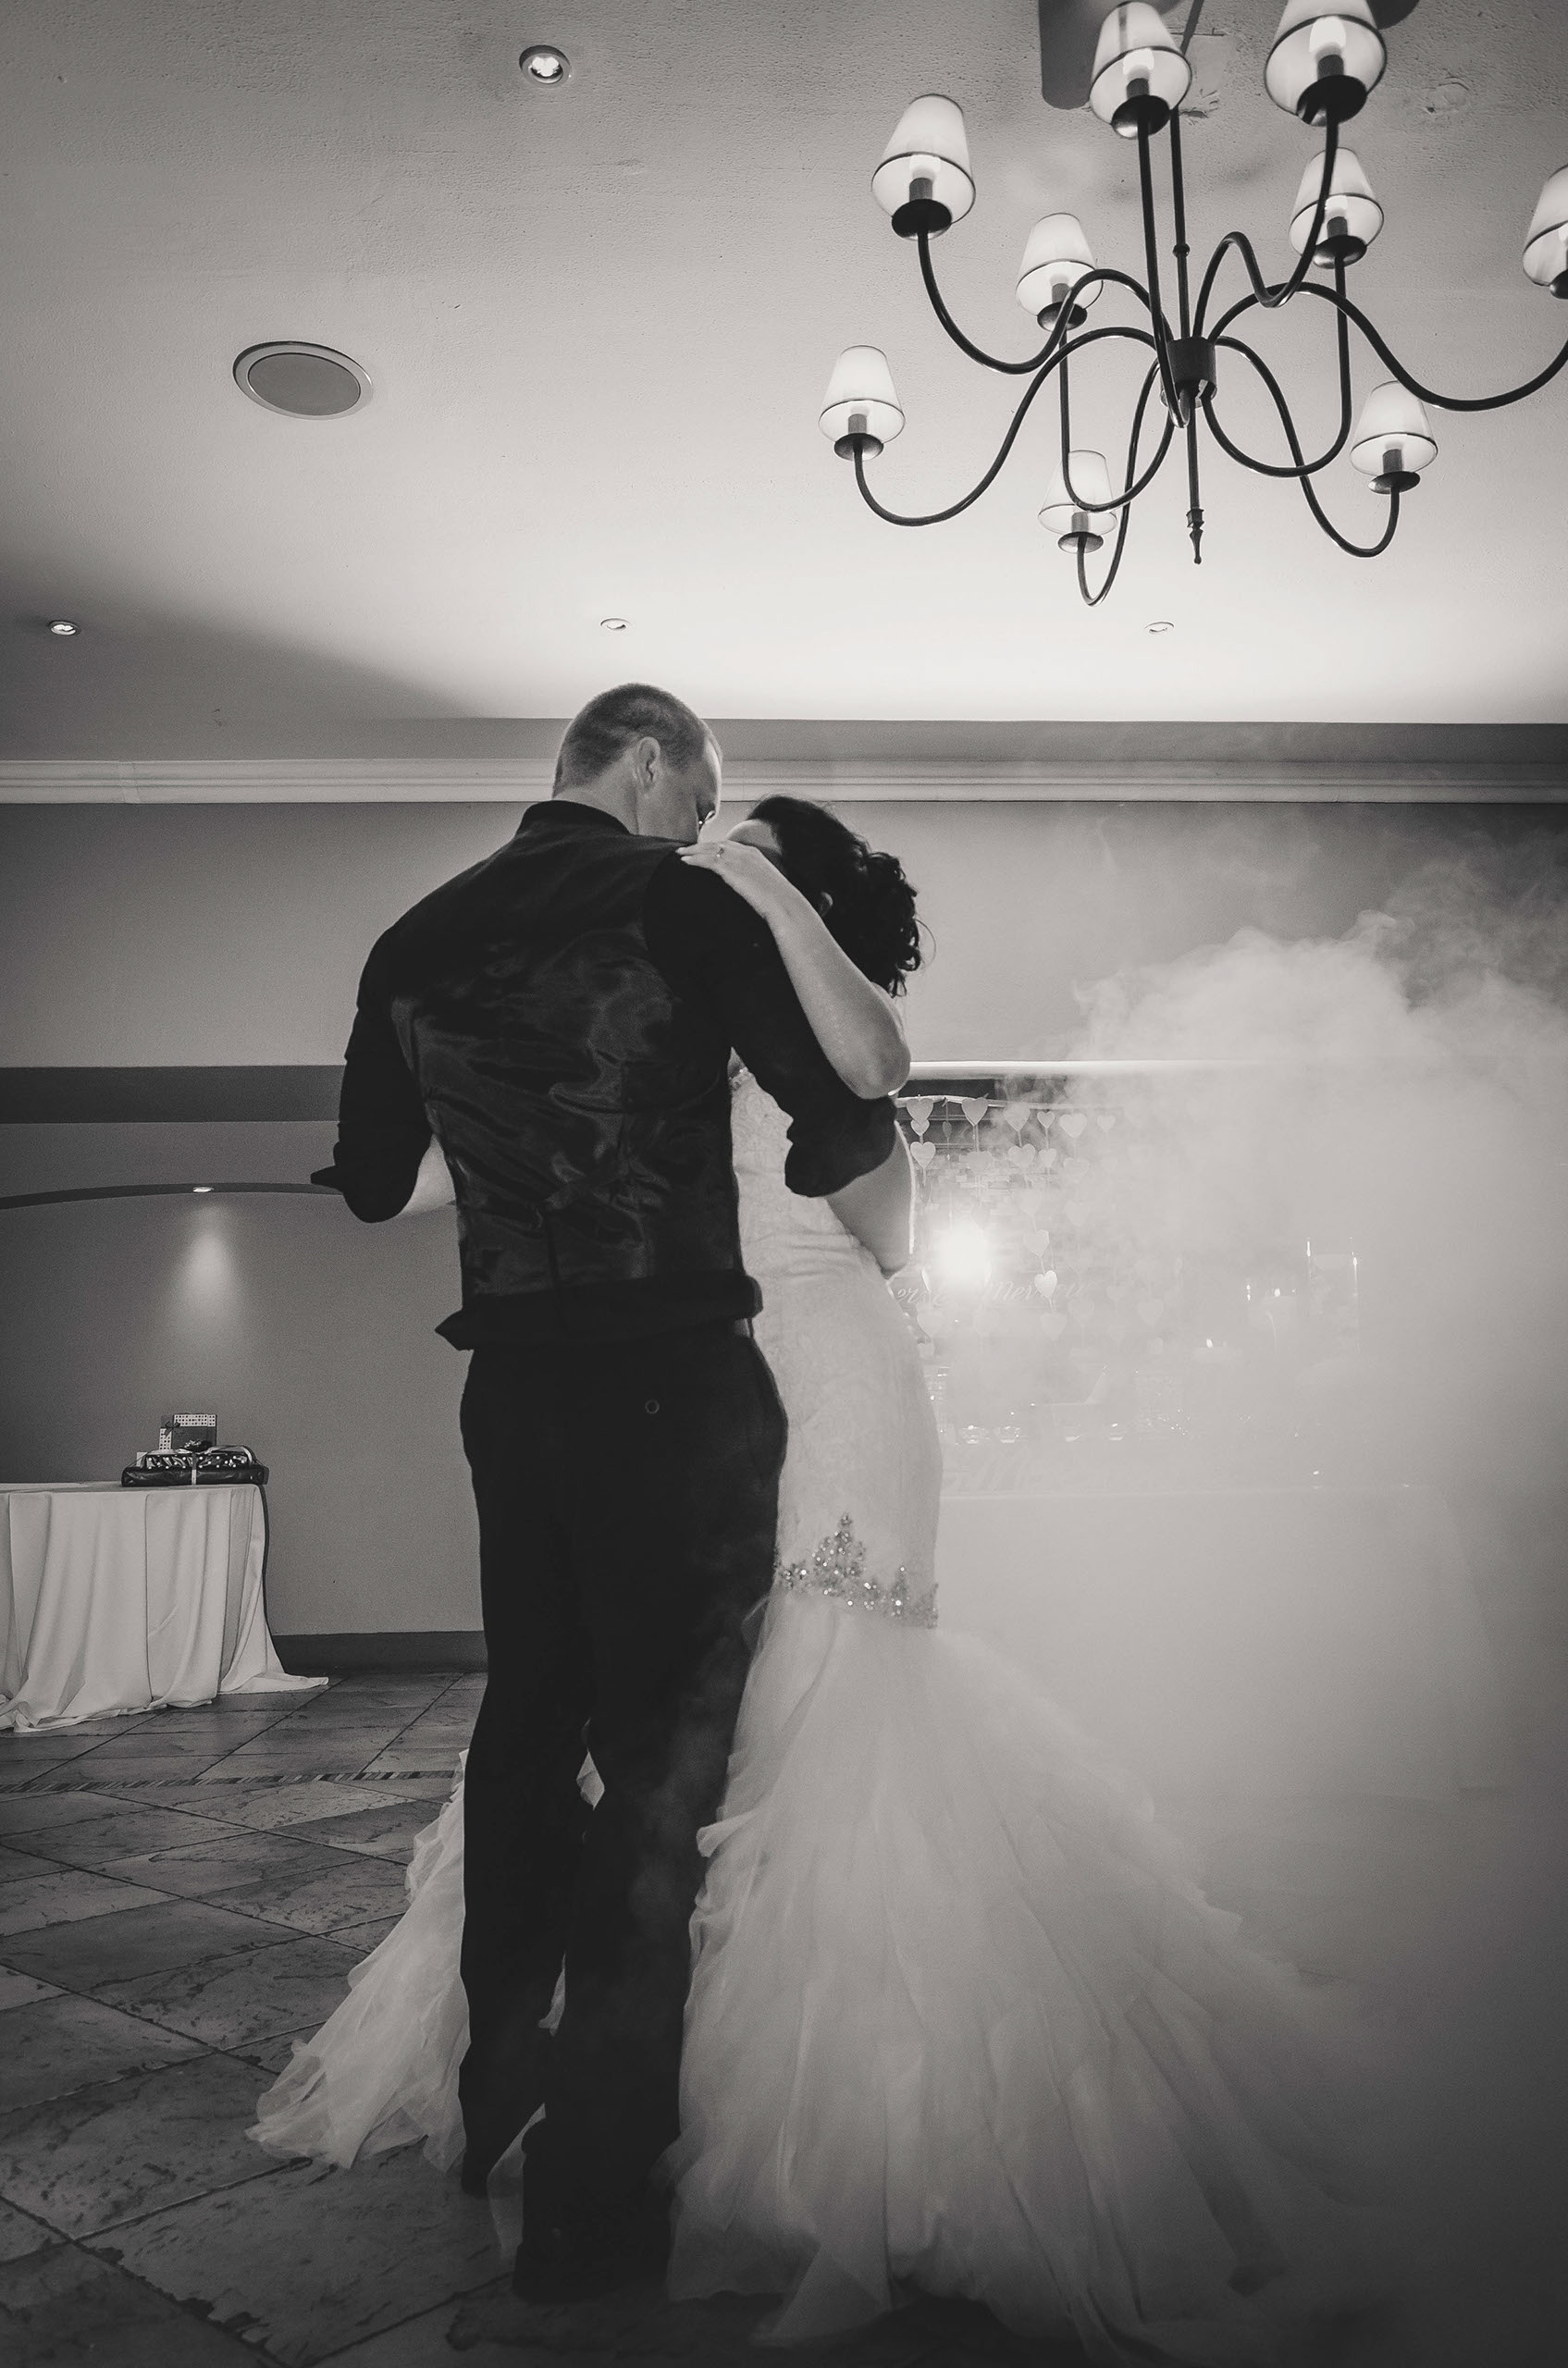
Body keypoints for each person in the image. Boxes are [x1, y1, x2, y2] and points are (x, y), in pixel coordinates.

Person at [257, 793, 1378, 2362]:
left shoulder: (810, 1045)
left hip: (820, 1379)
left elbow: (886, 1216)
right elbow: (453, 1171)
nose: (706, 866)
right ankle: (618, 2081)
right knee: (674, 1725)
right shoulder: (651, 1026)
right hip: (680, 1386)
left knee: (824, 1686)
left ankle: (792, 2112)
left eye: (747, 853)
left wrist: (747, 888)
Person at [285, 689, 899, 2303]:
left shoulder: (412, 936)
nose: (700, 825)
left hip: (512, 1392)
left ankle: (496, 2074)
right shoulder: (675, 901)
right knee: (658, 1772)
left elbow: (371, 1185)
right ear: (647, 762)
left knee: (523, 1723)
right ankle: (595, 2188)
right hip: (673, 1385)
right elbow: (841, 1123)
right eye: (695, 796)